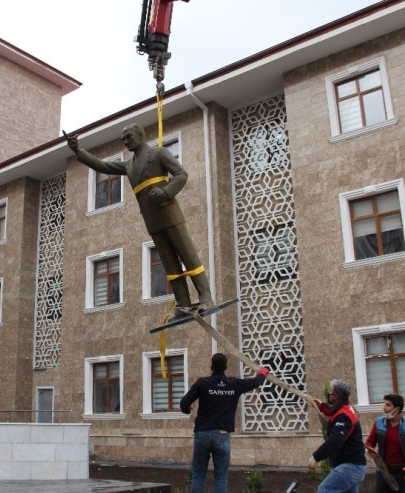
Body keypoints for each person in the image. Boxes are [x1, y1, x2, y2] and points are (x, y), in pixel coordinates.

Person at [66, 124, 212, 319]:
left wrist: (165, 192)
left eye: (128, 137)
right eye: (123, 139)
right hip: (152, 221)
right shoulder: (129, 165)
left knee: (188, 255)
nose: (126, 142)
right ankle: (183, 303)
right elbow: (102, 165)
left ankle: (206, 296)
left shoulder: (158, 154)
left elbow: (181, 174)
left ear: (140, 135)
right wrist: (78, 151)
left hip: (169, 214)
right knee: (169, 263)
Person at [179, 352, 269, 493]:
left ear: (211, 367)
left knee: (198, 476)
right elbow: (256, 382)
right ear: (226, 367)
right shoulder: (234, 384)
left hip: (202, 434)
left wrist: (187, 410)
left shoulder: (202, 383)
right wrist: (263, 372)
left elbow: (184, 403)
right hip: (222, 435)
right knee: (221, 477)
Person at [309, 379, 367, 493]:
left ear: (336, 396)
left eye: (330, 391)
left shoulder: (344, 416)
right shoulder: (344, 409)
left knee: (325, 490)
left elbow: (335, 441)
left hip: (350, 466)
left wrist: (316, 457)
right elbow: (332, 412)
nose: (328, 394)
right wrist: (322, 406)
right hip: (355, 466)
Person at [365, 394, 405, 493]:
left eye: (388, 405)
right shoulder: (379, 423)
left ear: (397, 409)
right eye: (384, 404)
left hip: (404, 473)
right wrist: (369, 449)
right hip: (384, 471)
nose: (384, 408)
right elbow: (370, 441)